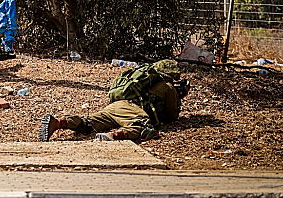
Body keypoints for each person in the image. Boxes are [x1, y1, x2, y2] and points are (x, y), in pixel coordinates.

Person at [39, 59, 188, 142]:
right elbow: (171, 116)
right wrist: (178, 96)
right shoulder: (167, 86)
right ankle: (114, 135)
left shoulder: (144, 79)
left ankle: (58, 122)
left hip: (115, 106)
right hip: (131, 110)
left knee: (89, 123)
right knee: (145, 128)